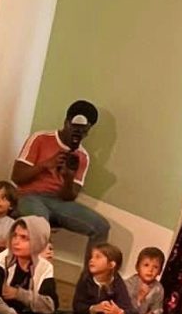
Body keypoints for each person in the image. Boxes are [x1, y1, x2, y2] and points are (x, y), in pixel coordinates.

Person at [12, 99, 110, 246]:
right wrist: (46, 164)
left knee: (101, 227)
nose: (77, 135)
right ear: (66, 123)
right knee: (40, 223)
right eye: (75, 128)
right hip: (29, 196)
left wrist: (69, 177)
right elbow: (17, 177)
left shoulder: (82, 156)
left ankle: (92, 269)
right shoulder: (40, 139)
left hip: (59, 202)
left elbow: (69, 197)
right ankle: (38, 266)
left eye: (83, 131)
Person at [72, 242, 136, 314]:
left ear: (111, 265)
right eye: (91, 257)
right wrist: (94, 308)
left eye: (98, 257)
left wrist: (119, 313)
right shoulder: (85, 278)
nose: (92, 260)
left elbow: (129, 310)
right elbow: (77, 305)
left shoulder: (117, 282)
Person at [122, 246, 174, 314]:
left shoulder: (158, 288)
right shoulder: (129, 284)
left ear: (160, 271)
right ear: (137, 267)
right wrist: (140, 298)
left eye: (155, 267)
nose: (150, 270)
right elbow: (126, 308)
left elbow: (158, 308)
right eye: (146, 265)